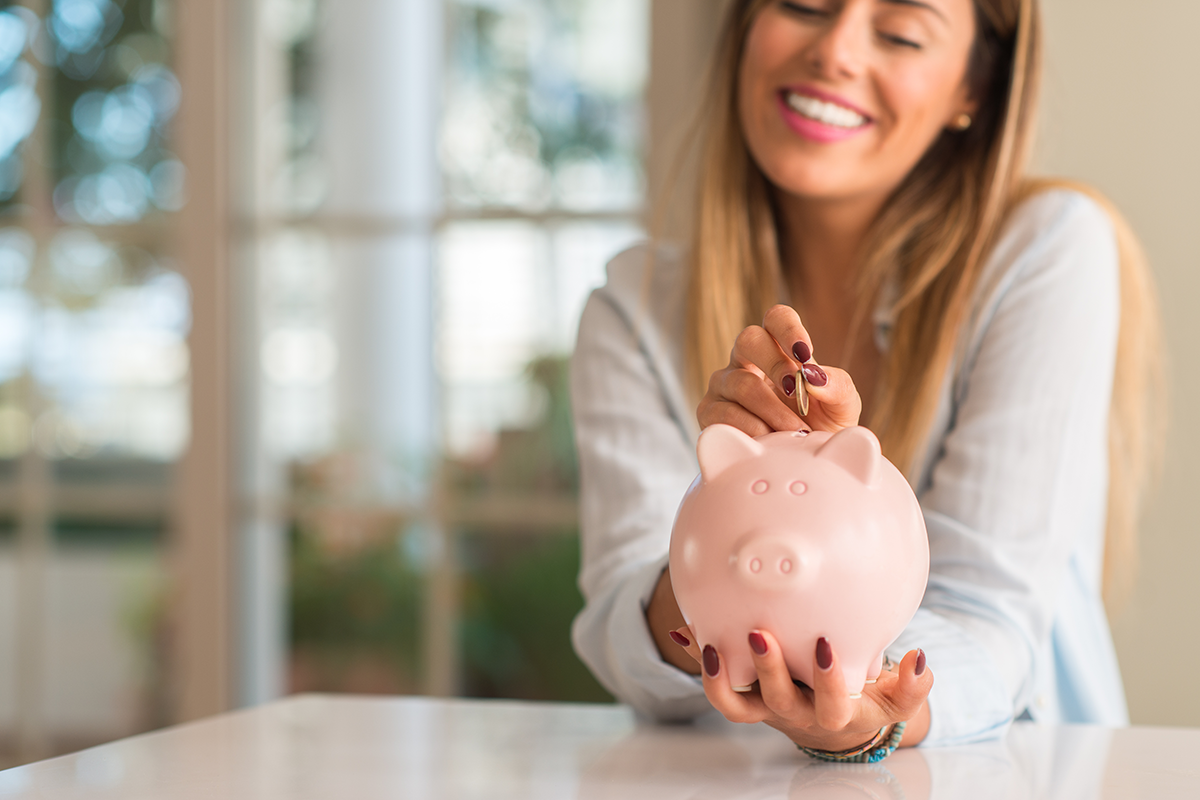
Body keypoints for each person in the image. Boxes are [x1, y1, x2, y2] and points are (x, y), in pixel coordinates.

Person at [569, 0, 1163, 755]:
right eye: (805, 5)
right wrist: (734, 523)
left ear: (972, 89)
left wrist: (870, 713)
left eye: (902, 33)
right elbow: (625, 631)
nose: (837, 53)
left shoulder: (1046, 250)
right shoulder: (631, 308)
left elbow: (990, 616)